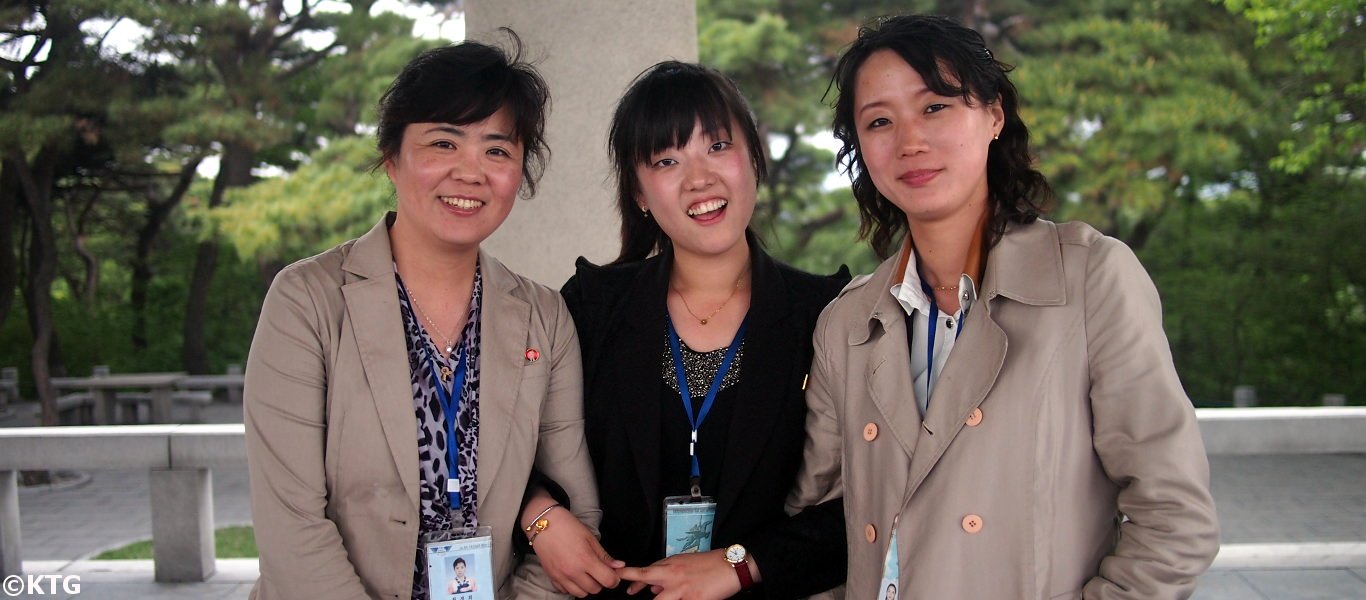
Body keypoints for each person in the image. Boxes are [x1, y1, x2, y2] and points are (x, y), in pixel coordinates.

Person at [789, 15, 1220, 599]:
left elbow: (1174, 516)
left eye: (935, 106)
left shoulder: (1091, 277)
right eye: (879, 121)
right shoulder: (847, 321)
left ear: (993, 115)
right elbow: (814, 522)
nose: (909, 140)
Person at [244, 33, 618, 599]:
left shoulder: (544, 315)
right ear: (392, 158)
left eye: (497, 150)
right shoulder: (308, 301)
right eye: (444, 144)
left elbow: (577, 507)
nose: (471, 172)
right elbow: (290, 524)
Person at [559, 61, 851, 598]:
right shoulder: (591, 308)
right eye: (667, 160)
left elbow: (871, 500)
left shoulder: (827, 313)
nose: (700, 179)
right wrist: (541, 518)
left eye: (718, 147)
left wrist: (742, 564)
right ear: (640, 194)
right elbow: (513, 446)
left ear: (753, 160)